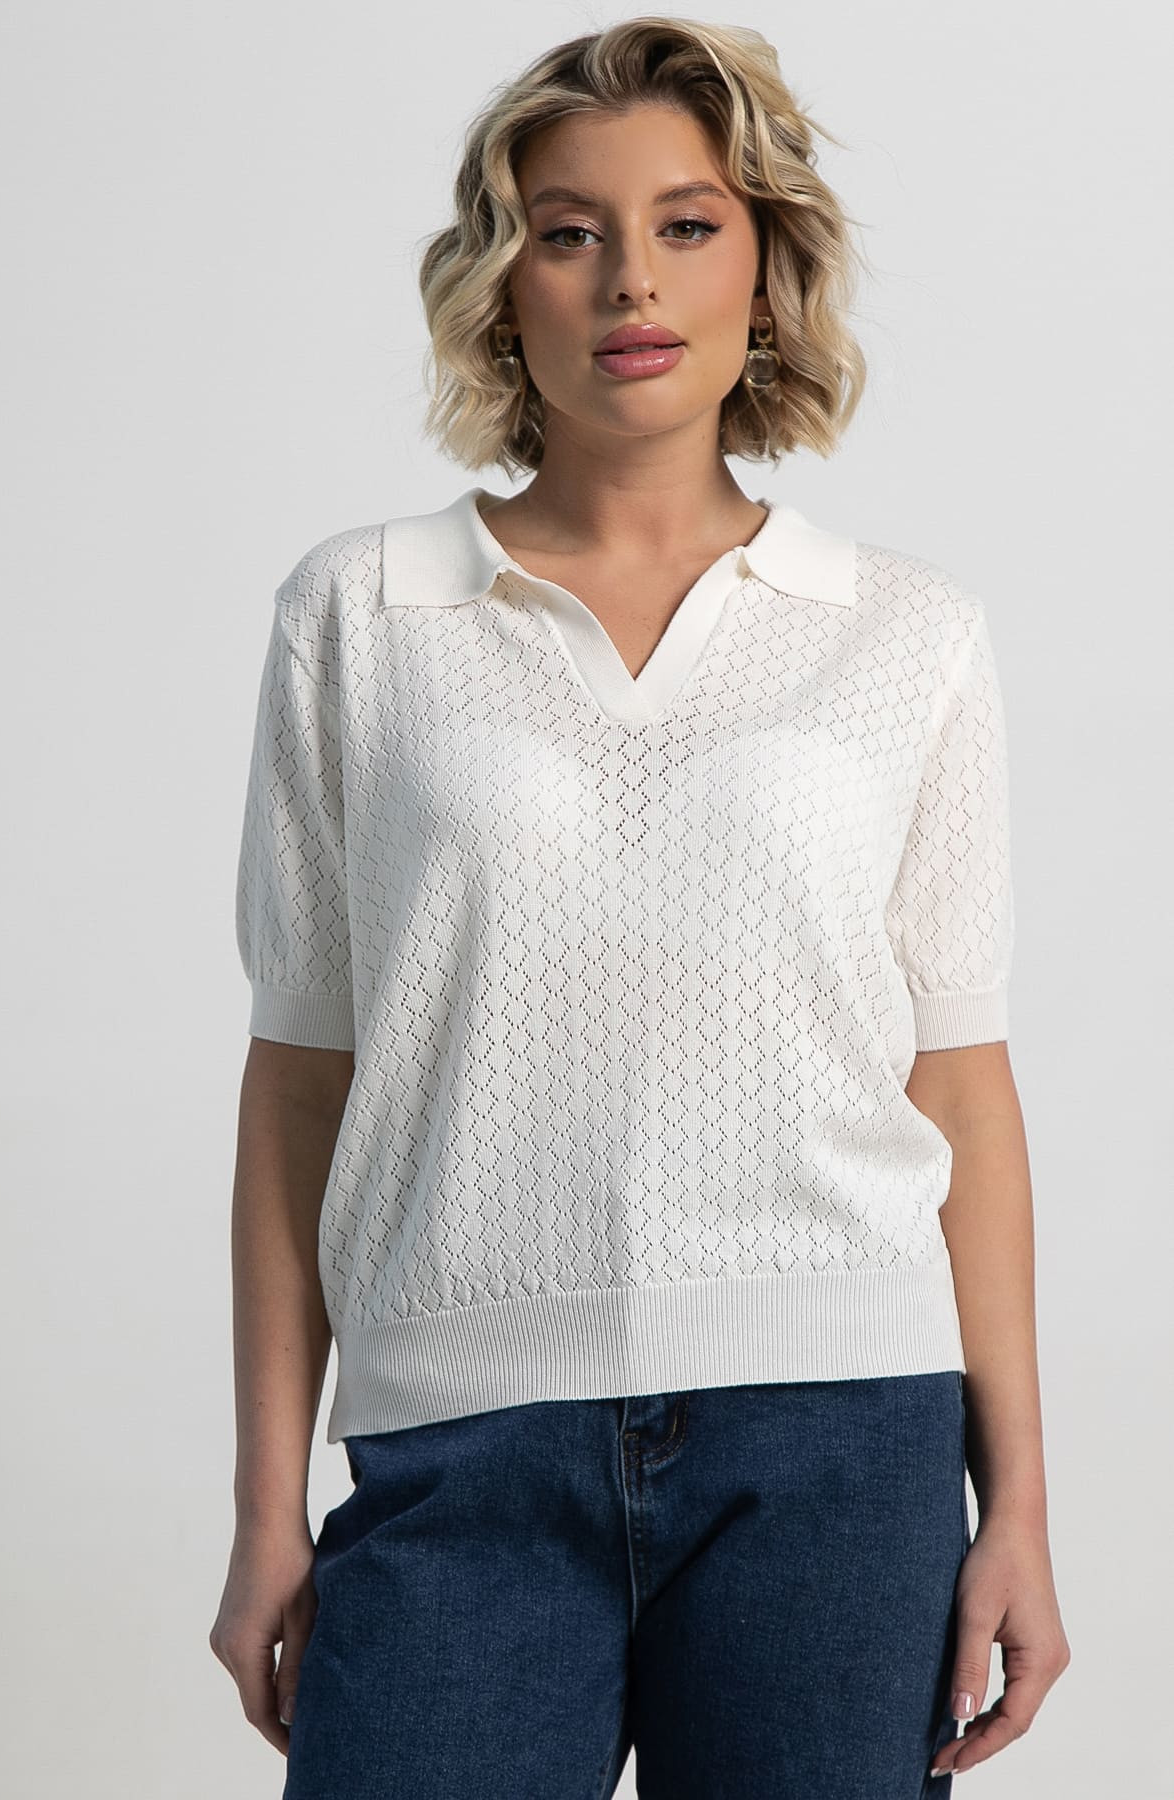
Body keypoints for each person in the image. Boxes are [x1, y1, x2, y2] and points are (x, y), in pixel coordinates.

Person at [209, 17, 1070, 1797]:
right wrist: (264, 1506)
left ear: (765, 263)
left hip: (839, 1448)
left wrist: (1020, 1513)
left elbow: (959, 1085)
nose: (630, 280)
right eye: (567, 230)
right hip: (458, 1448)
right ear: (500, 279)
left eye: (686, 223)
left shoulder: (903, 633)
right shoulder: (361, 615)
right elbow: (300, 1081)